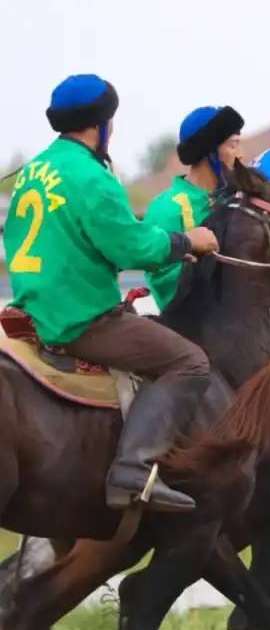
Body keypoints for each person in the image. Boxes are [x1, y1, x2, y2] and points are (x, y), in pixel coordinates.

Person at [4, 74, 220, 511]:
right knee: (191, 362)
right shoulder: (92, 177)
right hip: (80, 318)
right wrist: (188, 242)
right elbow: (131, 246)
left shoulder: (32, 172)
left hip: (28, 309)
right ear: (102, 125)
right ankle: (133, 469)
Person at [143, 105, 244, 310]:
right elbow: (164, 283)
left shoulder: (237, 200)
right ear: (209, 152)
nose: (241, 155)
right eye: (233, 145)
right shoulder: (167, 208)